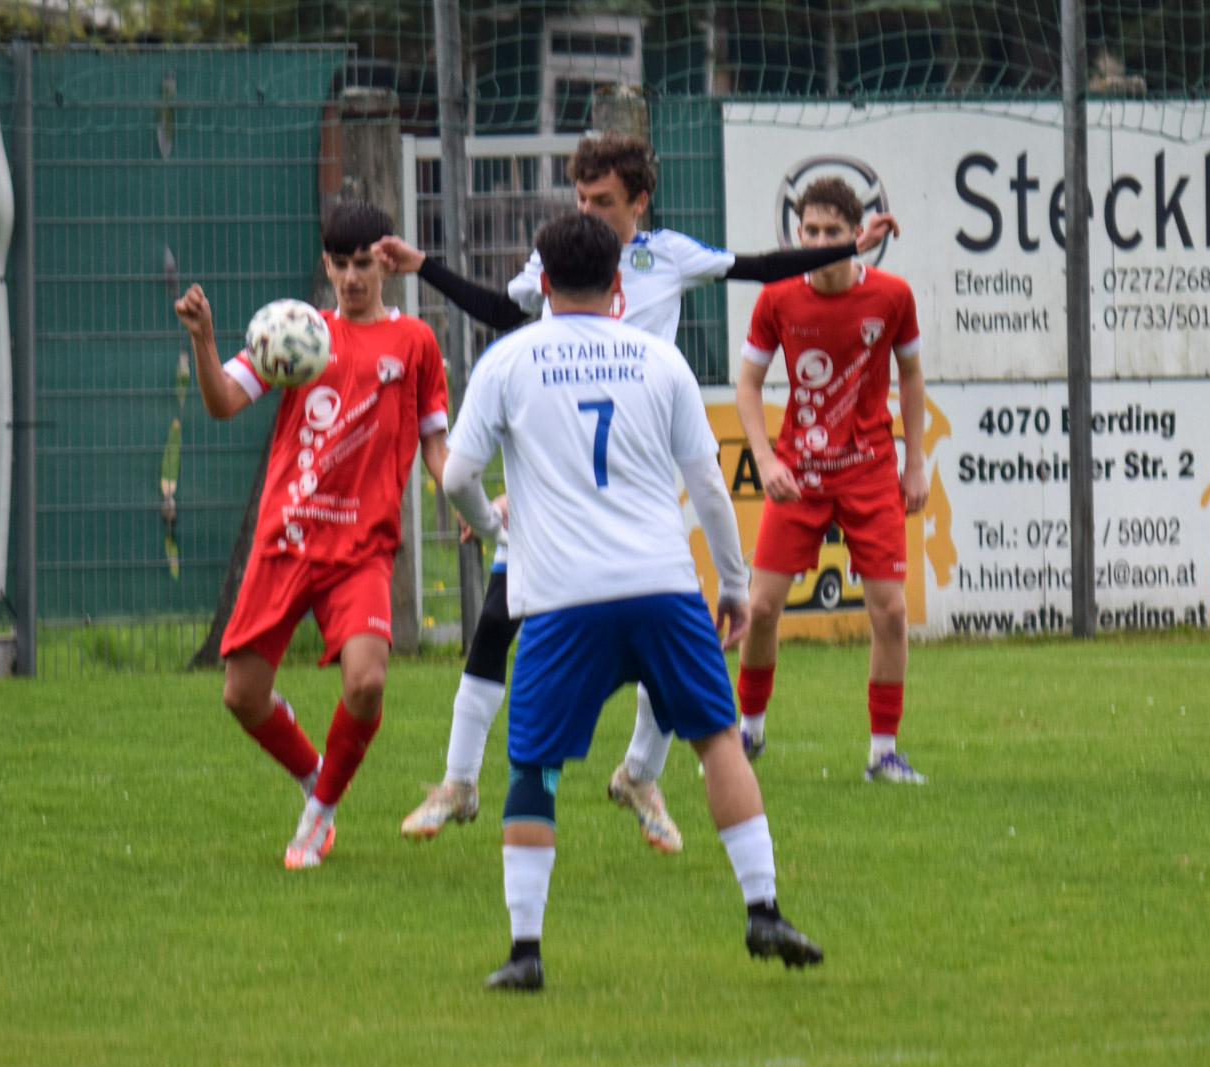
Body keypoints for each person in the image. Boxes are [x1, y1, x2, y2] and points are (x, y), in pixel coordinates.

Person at [380, 133, 900, 851]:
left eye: (603, 200)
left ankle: (638, 775)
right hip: (558, 484)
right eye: (581, 198)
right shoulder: (560, 260)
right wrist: (425, 267)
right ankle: (459, 783)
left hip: (638, 482)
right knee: (496, 623)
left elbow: (760, 266)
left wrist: (847, 249)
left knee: (668, 632)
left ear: (639, 202)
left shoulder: (669, 257)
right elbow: (504, 312)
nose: (588, 211)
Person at [442, 212, 821, 991]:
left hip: (561, 597)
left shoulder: (507, 359)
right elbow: (708, 485)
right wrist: (734, 585)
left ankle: (525, 952)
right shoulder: (658, 359)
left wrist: (491, 523)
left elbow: (456, 477)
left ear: (542, 282)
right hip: (662, 586)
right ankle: (763, 908)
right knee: (717, 740)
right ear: (619, 284)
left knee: (535, 767)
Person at [173, 200, 451, 869]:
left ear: (386, 265)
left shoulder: (414, 342)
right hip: (287, 539)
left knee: (367, 682)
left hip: (361, 550)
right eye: (341, 264)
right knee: (242, 696)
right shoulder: (296, 332)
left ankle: (319, 815)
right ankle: (314, 775)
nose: (352, 278)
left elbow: (437, 447)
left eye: (364, 264)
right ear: (326, 266)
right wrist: (204, 339)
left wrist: (465, 500)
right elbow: (223, 402)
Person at [735, 177, 929, 783]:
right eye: (811, 231)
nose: (819, 241)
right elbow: (748, 386)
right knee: (761, 608)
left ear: (855, 235)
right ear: (798, 234)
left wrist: (915, 461)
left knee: (890, 613)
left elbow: (912, 376)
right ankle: (749, 732)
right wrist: (766, 460)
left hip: (870, 472)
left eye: (832, 232)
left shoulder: (893, 295)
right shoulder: (777, 298)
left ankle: (883, 753)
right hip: (800, 474)